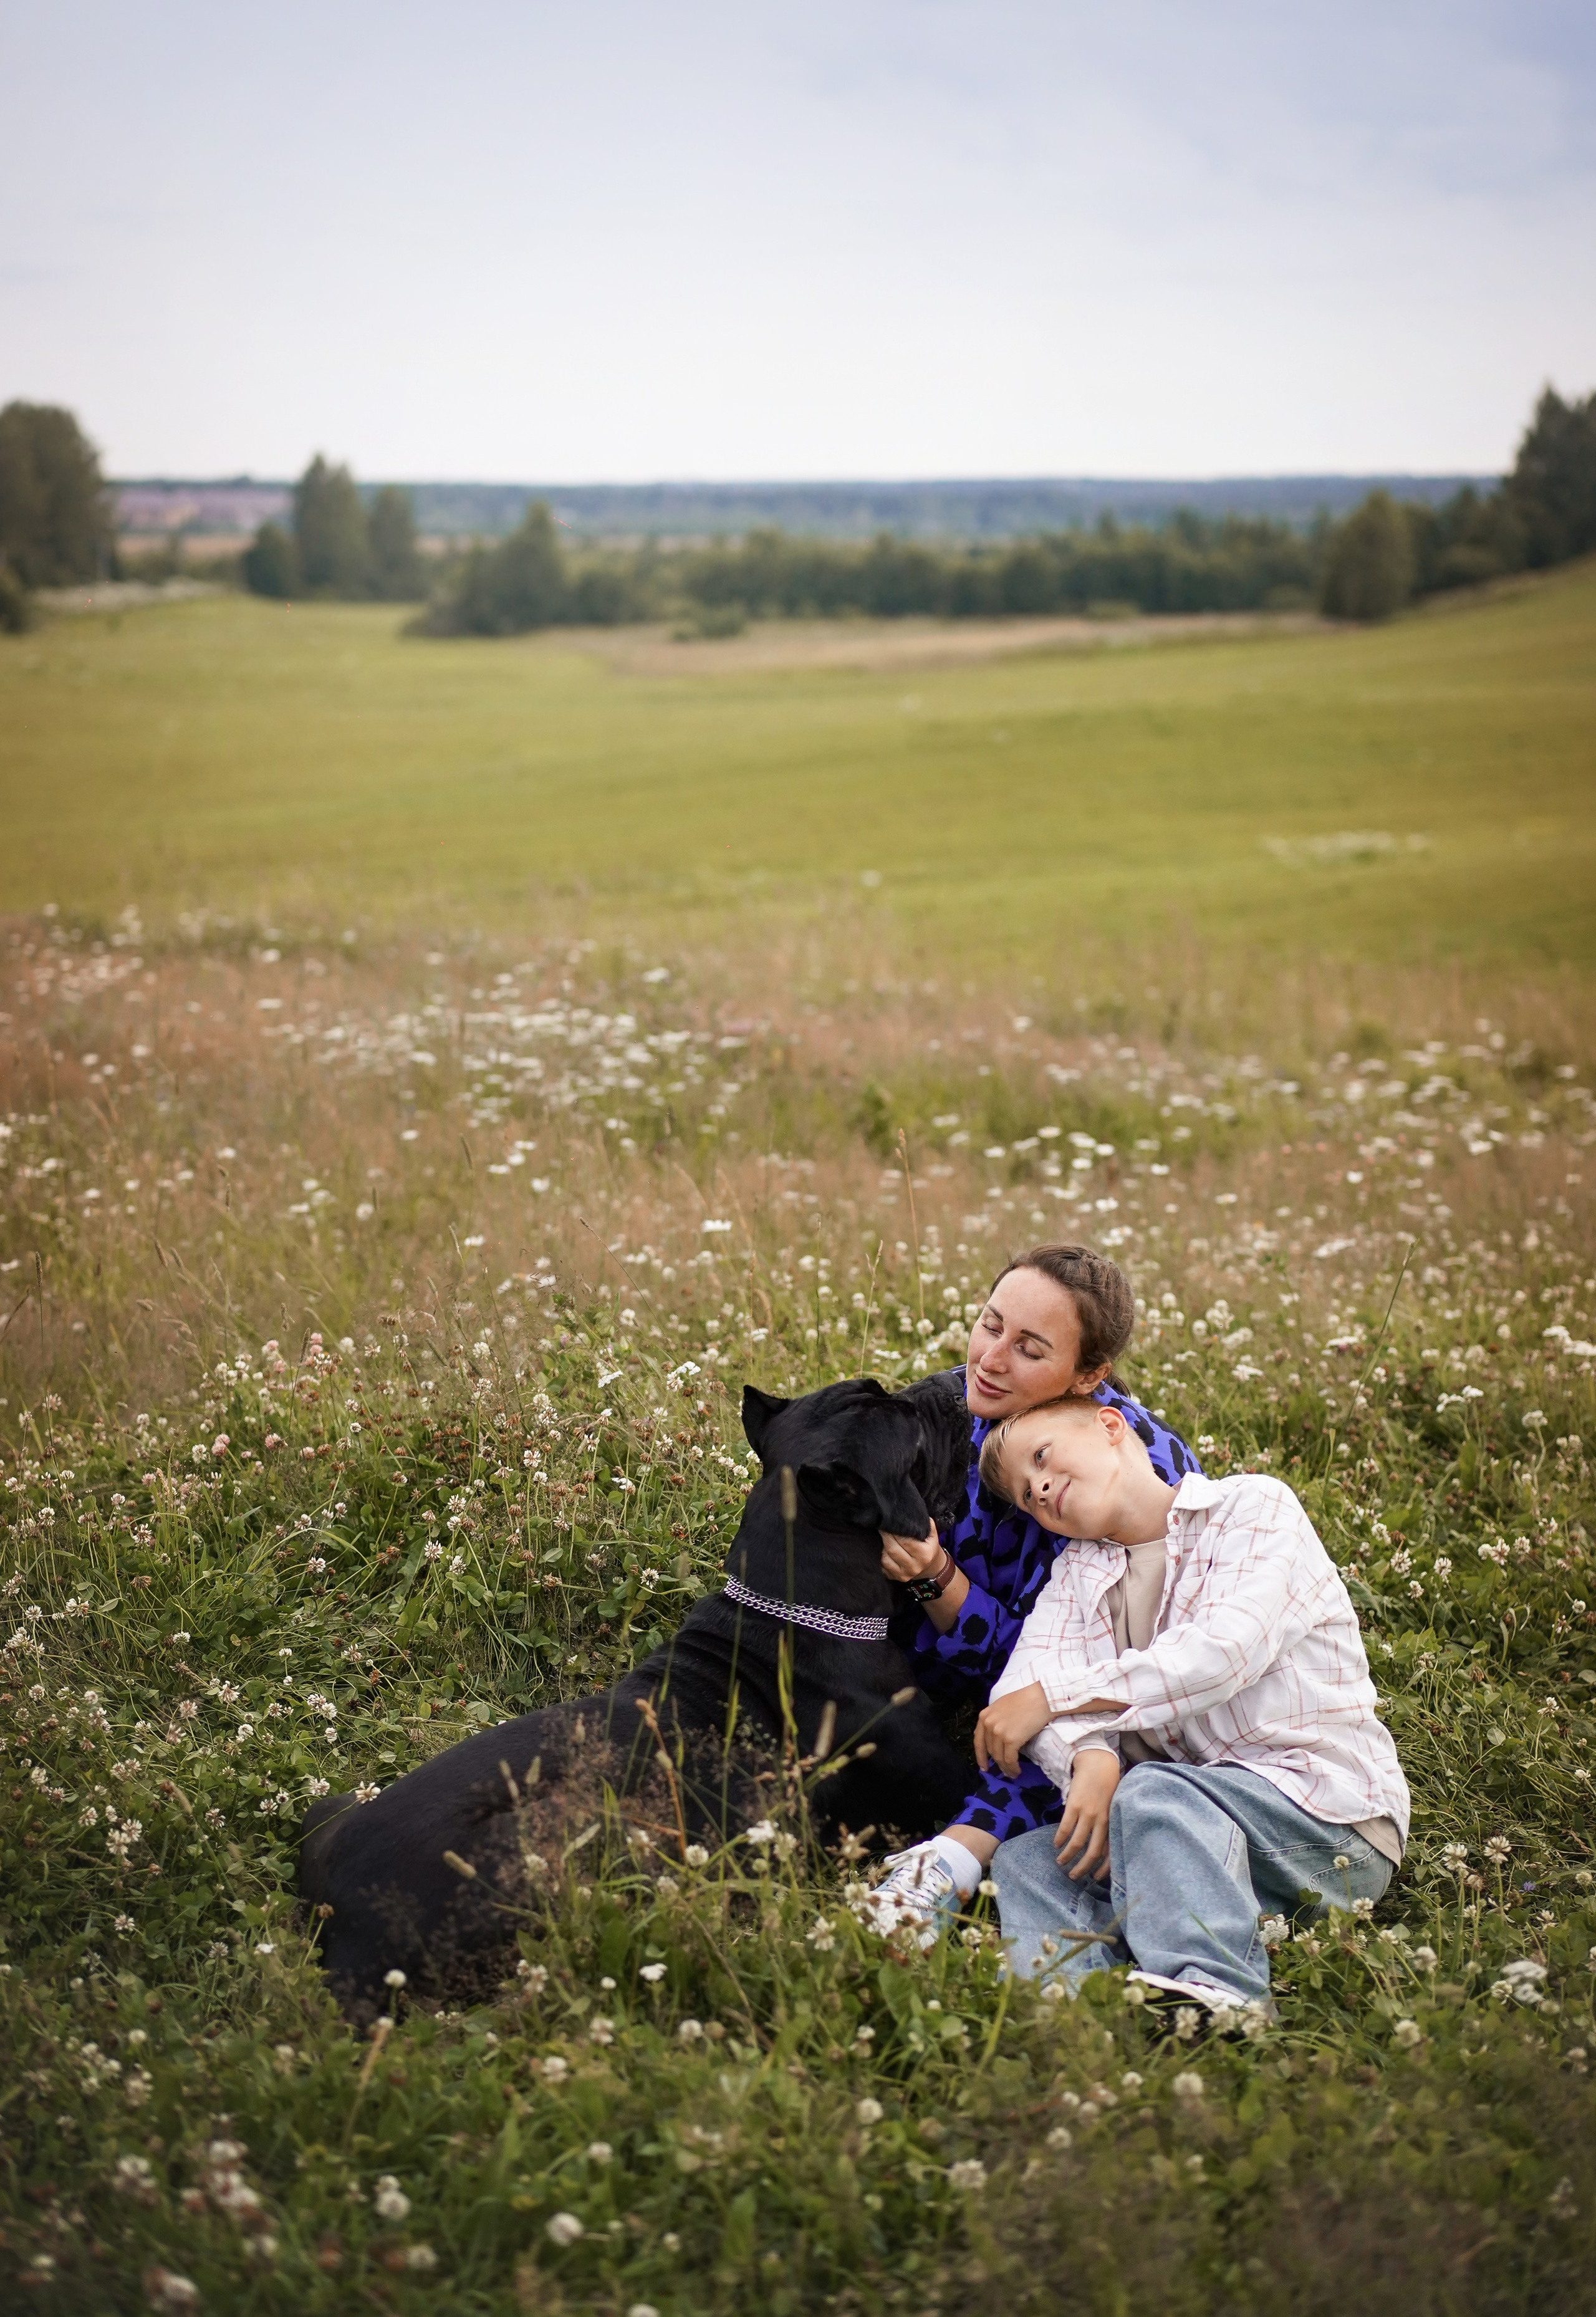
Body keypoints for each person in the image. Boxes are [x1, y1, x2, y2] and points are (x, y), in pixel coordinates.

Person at [971, 1394, 1409, 2013]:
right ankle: (1072, 2022)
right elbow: (1020, 1691)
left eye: (1041, 1456)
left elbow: (1220, 1655)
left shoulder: (1251, 1507)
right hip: (1180, 1838)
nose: (1038, 1489)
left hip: (1325, 1826)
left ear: (1110, 1425)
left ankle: (1218, 1993)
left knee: (1151, 1791)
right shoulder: (1077, 1573)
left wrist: (1057, 1699)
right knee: (1028, 1862)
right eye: (1024, 1495)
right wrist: (1088, 1755)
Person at [864, 1245, 1199, 1937]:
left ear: (1089, 1376)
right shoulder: (950, 1404)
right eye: (990, 1325)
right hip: (935, 1658)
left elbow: (1057, 1669)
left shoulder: (1103, 1481)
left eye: (1029, 1348)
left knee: (1067, 1743)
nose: (990, 1359)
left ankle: (949, 1865)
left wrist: (938, 1578)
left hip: (1103, 1688)